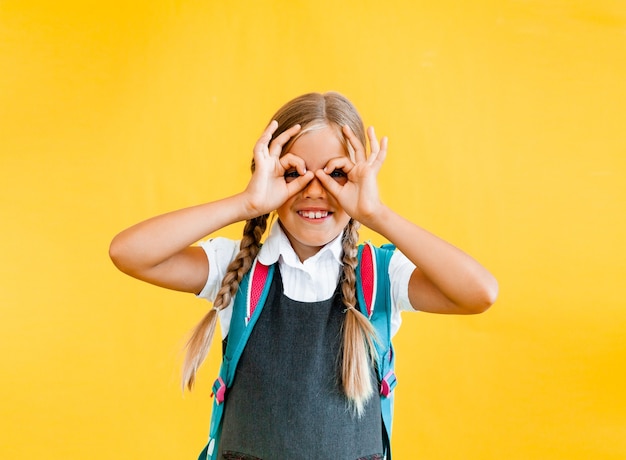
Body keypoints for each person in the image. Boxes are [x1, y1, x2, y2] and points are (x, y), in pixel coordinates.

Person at [109, 91, 498, 460]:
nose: (315, 190)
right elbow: (128, 253)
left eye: (337, 174)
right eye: (294, 172)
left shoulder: (380, 276)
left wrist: (377, 214)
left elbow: (479, 292)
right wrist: (246, 203)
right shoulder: (239, 268)